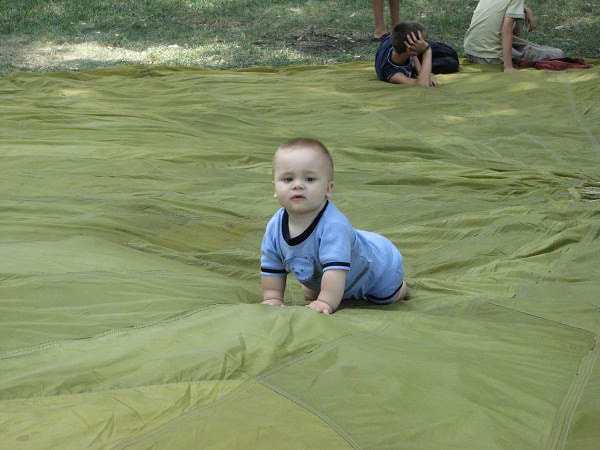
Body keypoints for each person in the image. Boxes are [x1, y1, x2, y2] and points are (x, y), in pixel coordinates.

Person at [260, 138, 407, 315]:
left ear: (328, 189)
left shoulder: (334, 226)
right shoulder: (274, 226)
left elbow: (335, 271)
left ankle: (400, 288)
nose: (297, 185)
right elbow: (271, 264)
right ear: (275, 188)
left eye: (310, 179)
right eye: (288, 178)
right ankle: (322, 287)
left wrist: (325, 301)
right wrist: (273, 298)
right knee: (313, 291)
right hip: (329, 272)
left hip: (378, 269)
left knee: (385, 298)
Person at [464, 0, 564, 72]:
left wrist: (525, 9)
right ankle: (512, 60)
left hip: (471, 51)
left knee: (524, 44)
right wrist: (508, 67)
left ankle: (519, 54)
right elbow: (506, 30)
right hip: (490, 56)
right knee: (557, 54)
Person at [375, 21, 459, 87]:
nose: (424, 42)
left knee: (451, 52)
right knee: (452, 64)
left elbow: (413, 58)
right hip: (405, 49)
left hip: (398, 43)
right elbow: (422, 84)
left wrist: (424, 74)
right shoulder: (394, 73)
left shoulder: (403, 49)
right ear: (410, 49)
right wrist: (427, 50)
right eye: (422, 40)